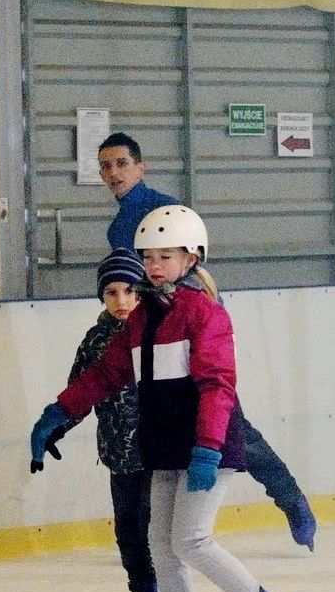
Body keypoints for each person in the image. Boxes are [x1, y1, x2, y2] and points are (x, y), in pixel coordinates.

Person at [32, 205, 311, 592]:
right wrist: (58, 413)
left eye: (166, 255)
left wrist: (205, 448)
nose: (155, 265)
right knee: (162, 548)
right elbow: (106, 373)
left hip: (208, 446)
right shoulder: (142, 319)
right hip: (163, 447)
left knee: (191, 540)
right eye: (149, 256)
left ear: (192, 257)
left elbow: (218, 386)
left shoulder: (204, 314)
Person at [95, 133, 317, 550]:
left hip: (190, 333)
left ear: (141, 168)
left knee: (229, 424)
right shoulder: (118, 224)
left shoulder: (162, 210)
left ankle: (292, 501)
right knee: (155, 429)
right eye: (106, 166)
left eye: (121, 163)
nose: (113, 173)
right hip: (153, 337)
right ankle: (151, 542)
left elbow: (188, 273)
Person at [43, 250, 162, 592]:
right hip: (119, 453)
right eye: (111, 292)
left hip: (160, 451)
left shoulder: (159, 329)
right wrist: (56, 426)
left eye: (129, 290)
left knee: (158, 532)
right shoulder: (95, 341)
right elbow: (81, 390)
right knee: (128, 531)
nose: (122, 301)